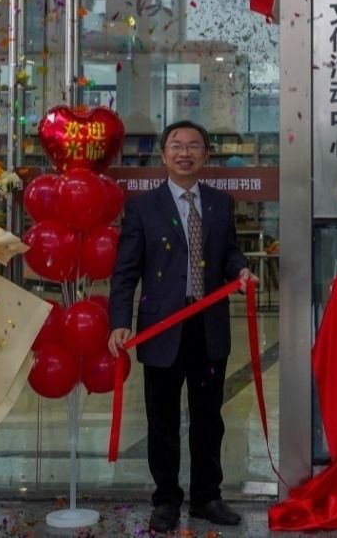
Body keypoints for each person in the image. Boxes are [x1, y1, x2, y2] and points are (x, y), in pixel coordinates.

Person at [108, 119, 256, 534]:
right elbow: (125, 271)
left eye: (193, 145)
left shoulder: (220, 204)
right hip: (162, 329)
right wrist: (119, 322)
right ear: (164, 155)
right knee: (163, 420)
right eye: (176, 145)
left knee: (209, 418)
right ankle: (166, 499)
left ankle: (208, 496)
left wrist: (241, 270)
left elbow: (228, 253)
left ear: (205, 154)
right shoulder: (143, 208)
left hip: (208, 326)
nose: (184, 152)